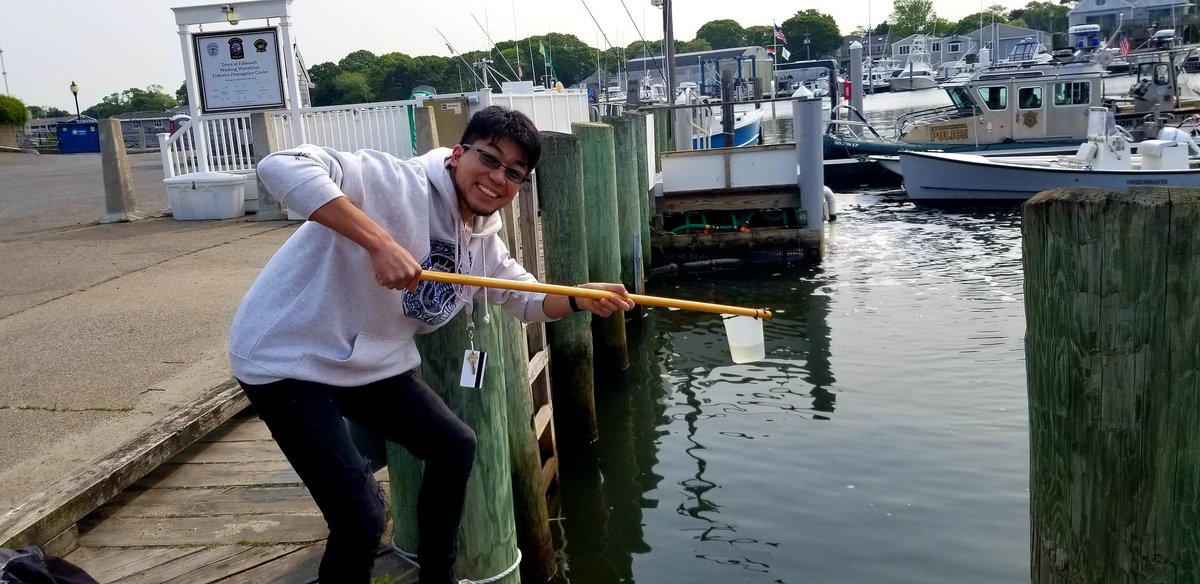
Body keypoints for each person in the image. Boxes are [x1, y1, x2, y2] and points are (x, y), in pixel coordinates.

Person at [227, 105, 634, 584]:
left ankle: (437, 577)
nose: (497, 178)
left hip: (370, 361)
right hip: (287, 357)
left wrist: (580, 298)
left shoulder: (483, 241)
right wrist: (379, 242)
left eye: (514, 173)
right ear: (458, 154)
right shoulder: (393, 181)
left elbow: (525, 299)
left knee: (454, 445)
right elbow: (281, 165)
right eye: (488, 159)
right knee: (360, 518)